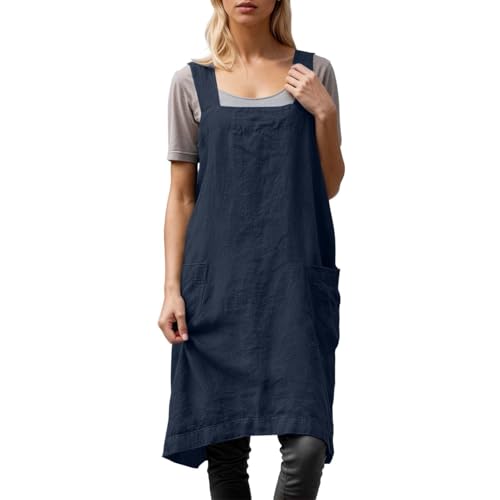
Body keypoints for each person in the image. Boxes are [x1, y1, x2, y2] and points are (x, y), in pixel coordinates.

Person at [158, 0, 345, 498]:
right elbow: (181, 197)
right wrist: (172, 289)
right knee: (225, 449)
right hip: (217, 286)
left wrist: (323, 112)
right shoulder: (190, 82)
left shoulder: (314, 73)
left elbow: (328, 184)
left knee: (307, 445)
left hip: (293, 285)